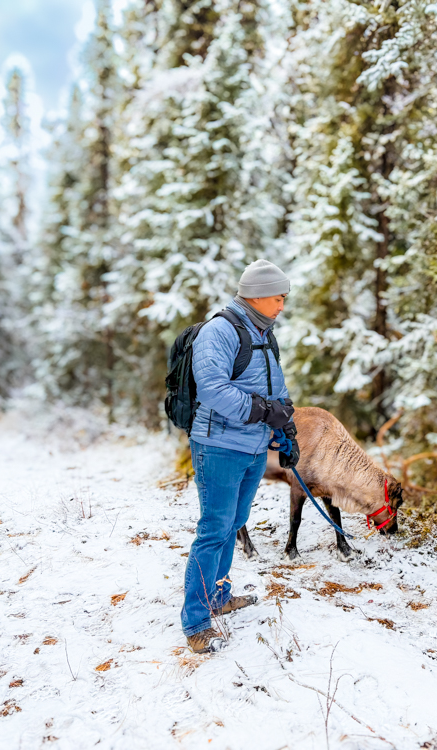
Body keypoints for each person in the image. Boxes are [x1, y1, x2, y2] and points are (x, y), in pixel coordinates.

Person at [181, 259, 300, 654]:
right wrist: (266, 412)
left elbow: (275, 387)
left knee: (234, 522)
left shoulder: (264, 333)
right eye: (279, 297)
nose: (283, 305)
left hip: (251, 447)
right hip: (218, 446)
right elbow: (212, 389)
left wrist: (286, 429)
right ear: (258, 295)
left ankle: (218, 596)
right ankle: (196, 623)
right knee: (214, 528)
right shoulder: (220, 331)